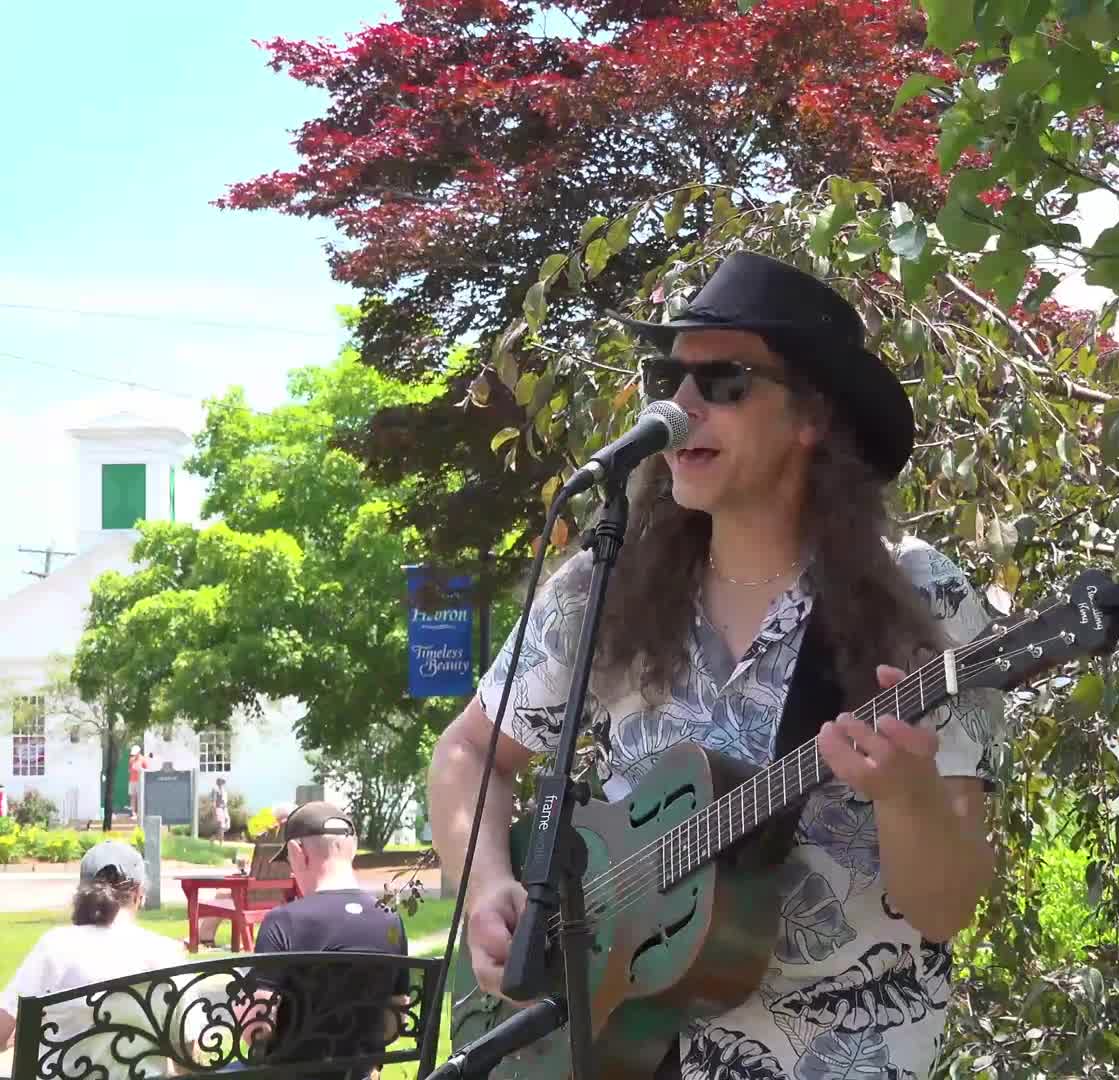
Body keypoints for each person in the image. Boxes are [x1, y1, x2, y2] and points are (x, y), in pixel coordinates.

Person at [428, 251, 1008, 1079]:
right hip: (618, 1051)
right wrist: (487, 886)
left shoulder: (921, 596)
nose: (681, 403)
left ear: (811, 416)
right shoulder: (606, 581)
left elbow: (947, 907)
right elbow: (470, 752)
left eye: (725, 382)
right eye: (667, 375)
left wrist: (908, 798)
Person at [236, 801, 411, 1079]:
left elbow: (258, 1028)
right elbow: (395, 1019)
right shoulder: (390, 921)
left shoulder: (283, 922)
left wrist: (242, 1010)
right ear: (351, 849)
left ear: (298, 852)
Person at [0, 841, 186, 1077]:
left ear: (82, 892)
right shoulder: (167, 953)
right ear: (140, 894)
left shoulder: (54, 946)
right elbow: (189, 1058)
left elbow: (1, 1032)